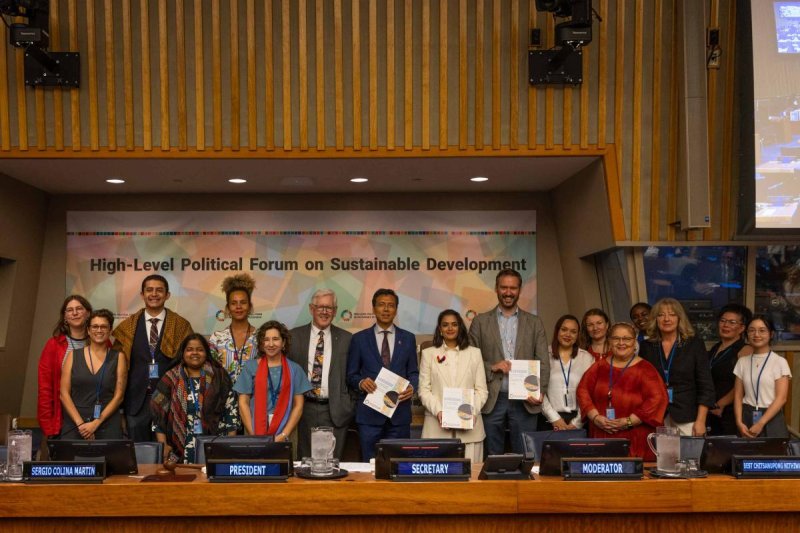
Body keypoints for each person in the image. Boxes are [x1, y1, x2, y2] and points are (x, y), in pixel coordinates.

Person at [468, 269, 549, 455]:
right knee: (492, 454)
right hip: (492, 398)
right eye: (504, 287)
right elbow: (471, 361)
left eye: (513, 288)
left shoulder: (534, 322)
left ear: (520, 290)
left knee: (525, 455)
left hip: (525, 400)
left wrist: (540, 391)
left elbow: (543, 361)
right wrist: (492, 366)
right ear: (496, 289)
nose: (508, 292)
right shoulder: (480, 322)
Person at [112, 274, 193, 442]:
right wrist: (119, 409)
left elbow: (190, 364)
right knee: (139, 457)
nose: (154, 294)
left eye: (159, 290)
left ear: (167, 295)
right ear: (142, 295)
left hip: (171, 401)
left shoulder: (181, 326)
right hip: (135, 404)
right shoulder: (126, 328)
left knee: (169, 455)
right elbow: (117, 371)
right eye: (149, 290)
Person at [577, 322, 668, 461]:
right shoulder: (599, 367)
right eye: (616, 338)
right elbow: (582, 391)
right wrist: (595, 417)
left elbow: (657, 399)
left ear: (634, 342)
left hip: (636, 437)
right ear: (609, 341)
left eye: (626, 339)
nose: (621, 343)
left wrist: (629, 421)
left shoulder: (645, 369)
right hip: (603, 434)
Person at [346, 288, 418, 461]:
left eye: (391, 306)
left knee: (398, 464)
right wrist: (361, 382)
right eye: (381, 305)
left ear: (396, 309)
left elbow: (414, 372)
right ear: (373, 308)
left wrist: (412, 386)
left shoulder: (408, 338)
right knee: (369, 465)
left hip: (399, 416)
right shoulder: (359, 339)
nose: (386, 309)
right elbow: (351, 375)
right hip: (369, 417)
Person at [151, 334, 239, 463]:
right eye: (190, 349)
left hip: (215, 445)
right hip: (178, 448)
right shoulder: (170, 378)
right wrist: (163, 445)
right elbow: (158, 415)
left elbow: (231, 414)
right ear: (183, 352)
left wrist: (229, 446)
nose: (195, 353)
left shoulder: (219, 377)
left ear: (206, 353)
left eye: (200, 349)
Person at [287, 289, 354, 460]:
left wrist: (349, 404)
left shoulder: (347, 339)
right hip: (303, 410)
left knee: (332, 464)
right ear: (311, 308)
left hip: (336, 411)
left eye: (329, 308)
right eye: (320, 307)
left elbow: (353, 375)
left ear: (335, 311)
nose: (325, 312)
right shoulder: (293, 337)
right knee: (305, 463)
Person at [419, 310, 488, 464]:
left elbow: (481, 390)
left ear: (460, 327)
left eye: (454, 324)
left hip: (470, 431)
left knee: (471, 478)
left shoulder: (475, 354)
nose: (450, 328)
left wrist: (472, 411)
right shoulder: (428, 354)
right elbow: (424, 390)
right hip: (436, 430)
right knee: (437, 481)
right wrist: (439, 412)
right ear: (440, 329)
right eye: (445, 325)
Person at [639, 298, 716, 436]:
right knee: (663, 457)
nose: (666, 319)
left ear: (680, 318)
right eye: (661, 315)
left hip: (688, 416)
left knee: (690, 457)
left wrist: (701, 420)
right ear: (655, 319)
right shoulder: (647, 347)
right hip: (657, 415)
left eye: (672, 314)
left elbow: (706, 386)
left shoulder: (694, 345)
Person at [234, 321, 311, 441]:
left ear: (283, 342)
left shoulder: (295, 369)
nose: (270, 344)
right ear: (261, 343)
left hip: (286, 432)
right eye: (266, 339)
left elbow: (298, 406)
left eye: (275, 339)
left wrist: (284, 435)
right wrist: (253, 433)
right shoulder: (250, 367)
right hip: (254, 432)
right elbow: (243, 403)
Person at [60, 309, 128, 439]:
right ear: (88, 330)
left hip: (106, 423)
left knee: (109, 459)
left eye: (104, 327)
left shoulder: (119, 357)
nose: (99, 330)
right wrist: (81, 425)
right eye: (95, 326)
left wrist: (96, 423)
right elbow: (64, 394)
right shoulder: (73, 356)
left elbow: (119, 397)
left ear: (110, 330)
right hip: (76, 424)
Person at [38, 295, 93, 439]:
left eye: (79, 309)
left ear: (88, 313)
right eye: (70, 310)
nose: (74, 313)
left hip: (94, 417)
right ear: (65, 317)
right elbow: (45, 388)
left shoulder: (102, 343)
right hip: (63, 418)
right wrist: (48, 427)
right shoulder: (53, 345)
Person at [734, 315, 792, 438]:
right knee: (746, 456)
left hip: (771, 417)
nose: (756, 334)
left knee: (772, 456)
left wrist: (760, 423)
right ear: (746, 334)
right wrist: (739, 422)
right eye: (751, 330)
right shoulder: (742, 361)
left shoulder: (779, 361)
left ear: (771, 334)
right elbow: (738, 396)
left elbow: (781, 398)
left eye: (762, 330)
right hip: (746, 415)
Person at [540, 314, 594, 431]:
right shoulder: (543, 355)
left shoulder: (587, 358)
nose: (568, 335)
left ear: (578, 335)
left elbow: (591, 392)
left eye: (573, 331)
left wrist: (578, 422)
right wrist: (554, 418)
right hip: (549, 419)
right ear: (557, 331)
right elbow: (538, 390)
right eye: (564, 330)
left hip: (580, 421)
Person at [707, 303, 753, 436]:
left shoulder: (745, 350)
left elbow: (744, 383)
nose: (726, 325)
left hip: (731, 411)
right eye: (723, 321)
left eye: (732, 322)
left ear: (742, 328)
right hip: (712, 409)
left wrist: (722, 403)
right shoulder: (715, 348)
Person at [209, 273, 258, 382]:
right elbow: (210, 373)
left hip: (253, 397)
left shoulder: (260, 337)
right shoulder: (217, 338)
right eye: (234, 303)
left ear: (250, 306)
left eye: (243, 302)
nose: (238, 307)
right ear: (228, 307)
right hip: (224, 397)